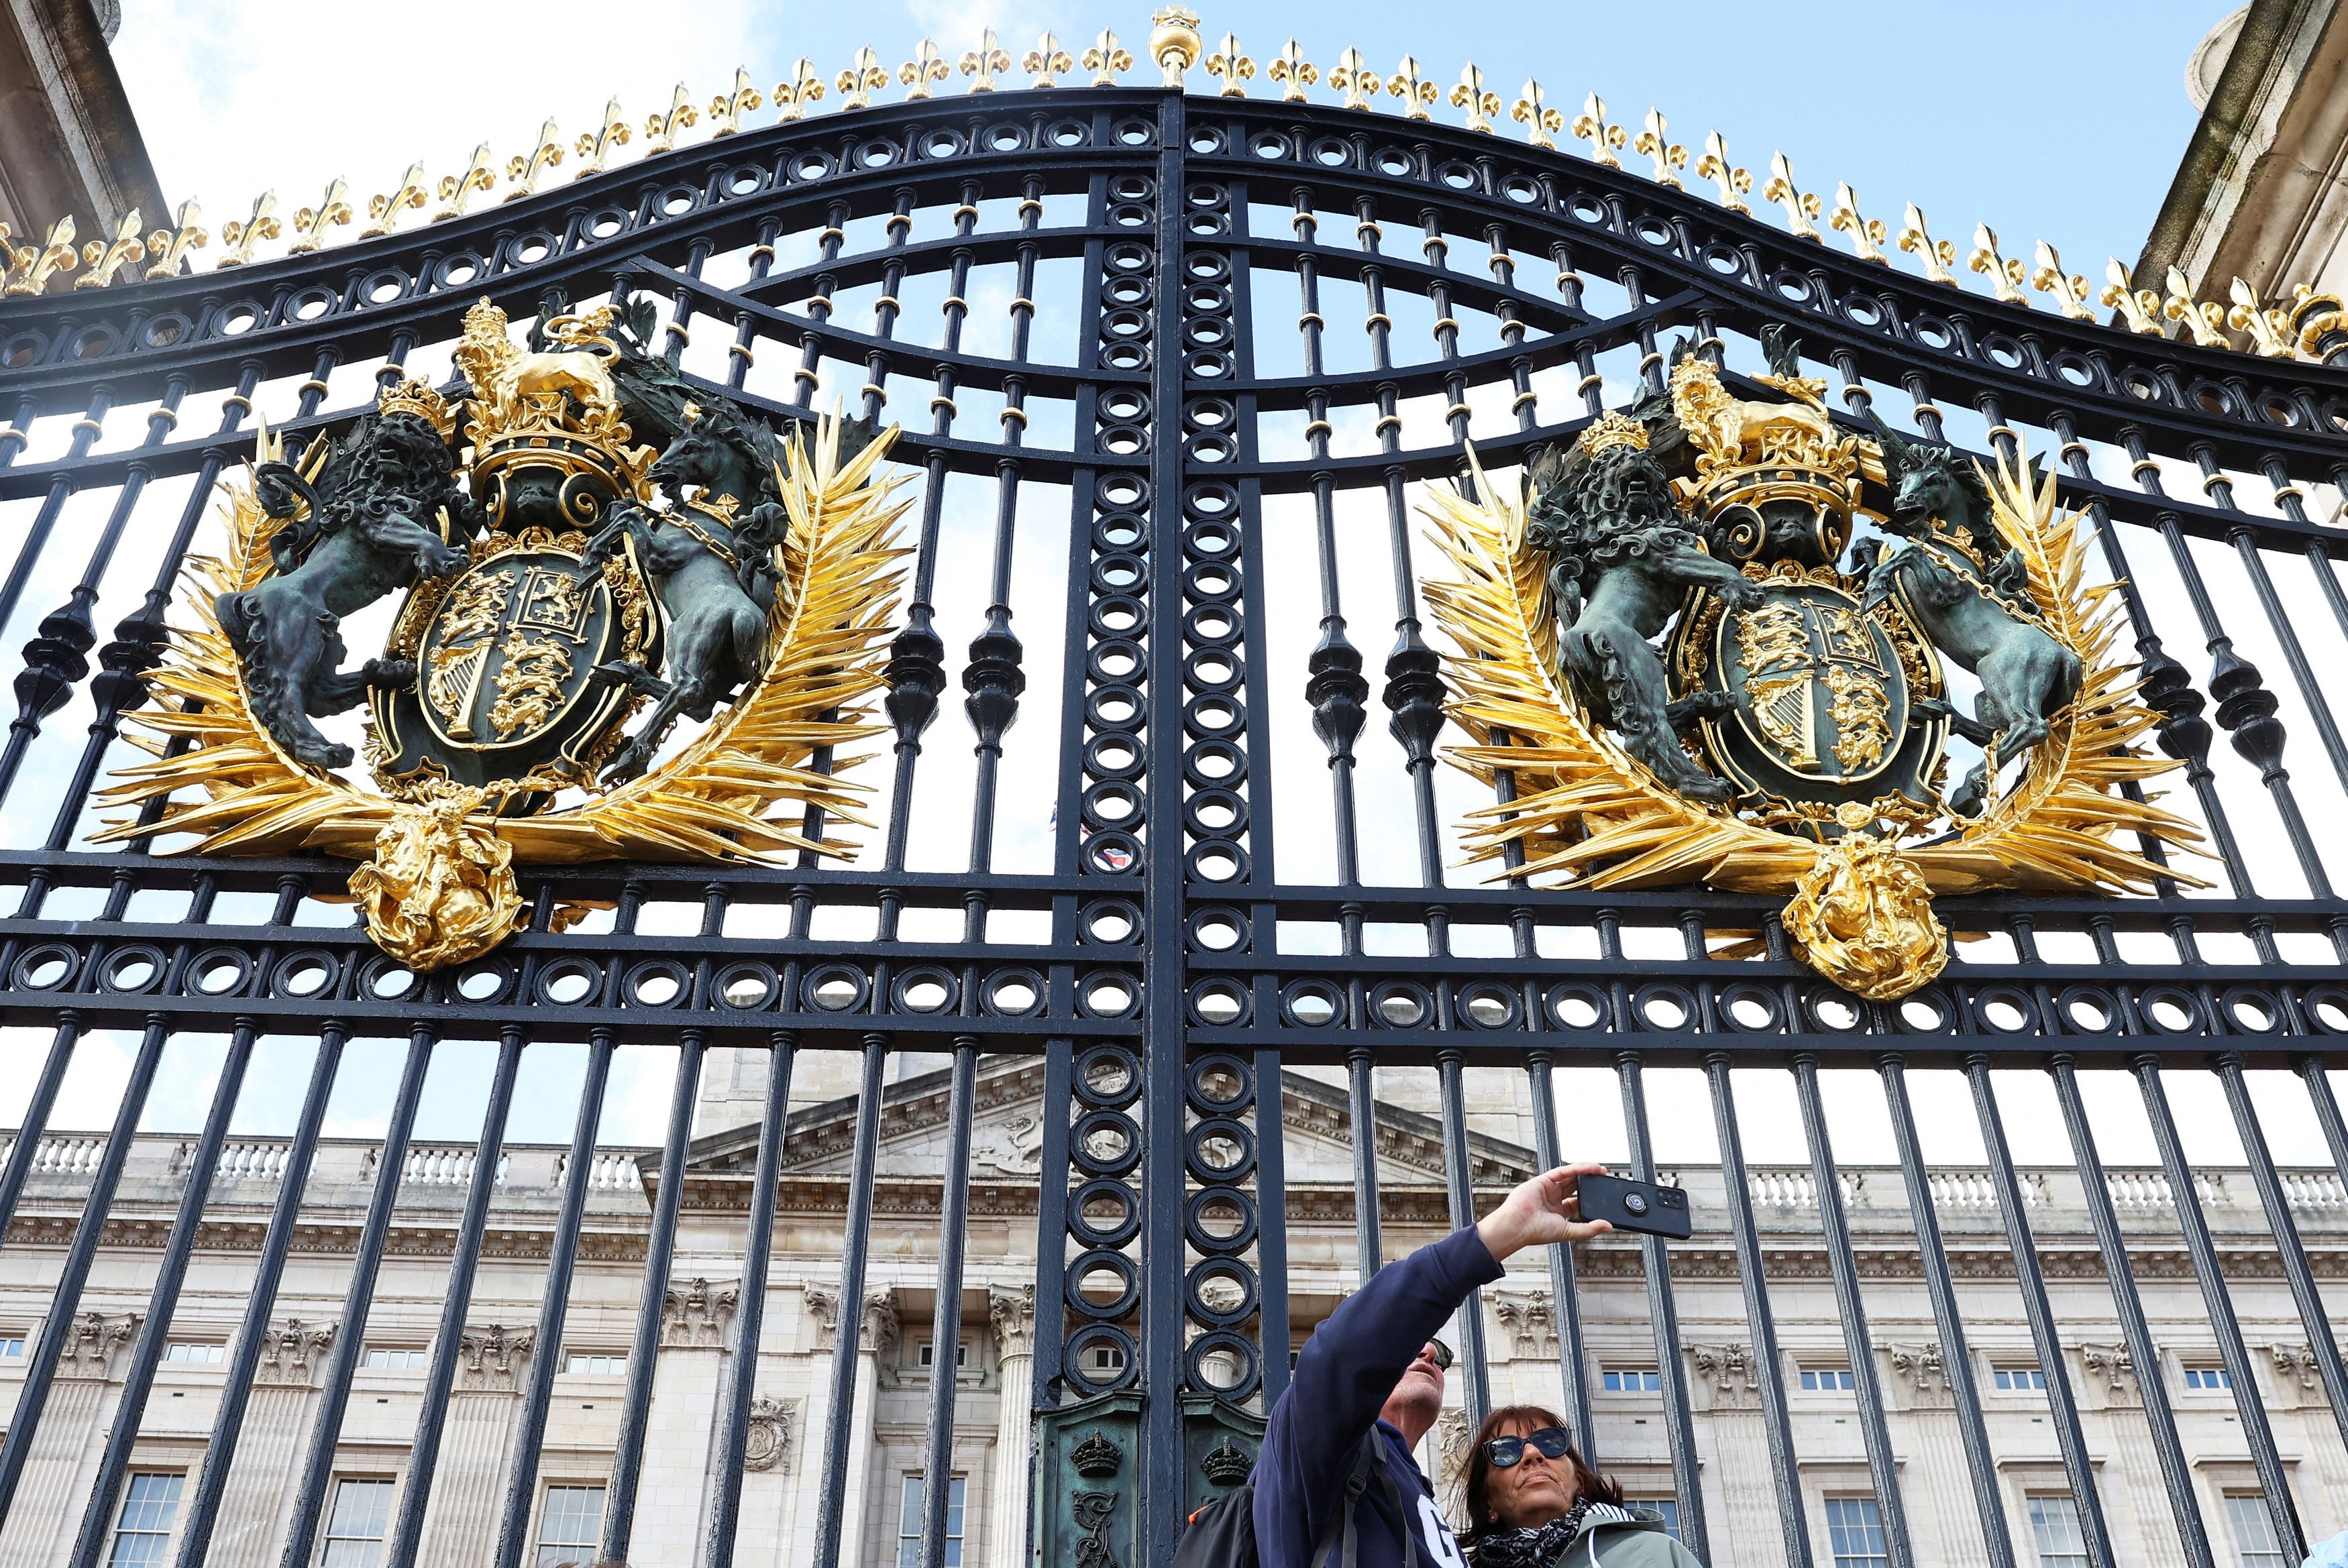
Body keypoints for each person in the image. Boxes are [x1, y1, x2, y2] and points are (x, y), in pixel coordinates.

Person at [1250, 1163, 1615, 1568]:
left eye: (1438, 1354)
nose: (1426, 1354)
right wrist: (1497, 1235)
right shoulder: (1311, 1448)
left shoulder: (1417, 1498)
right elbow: (1340, 1356)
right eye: (1408, 1348)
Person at [1456, 1407, 1705, 1567]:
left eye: (1550, 1442)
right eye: (1506, 1450)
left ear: (1579, 1480)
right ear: (1488, 1503)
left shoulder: (1654, 1554)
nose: (1533, 1453)